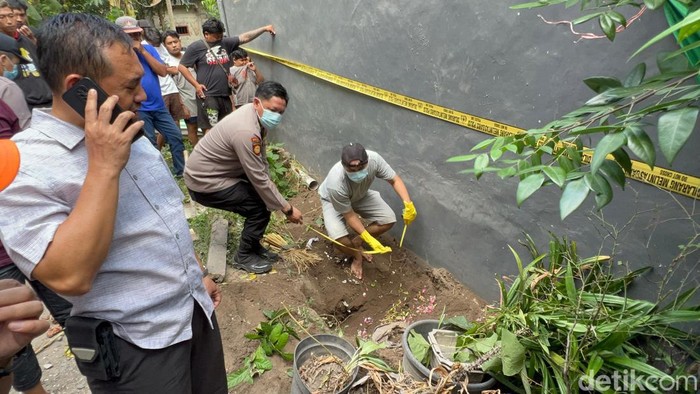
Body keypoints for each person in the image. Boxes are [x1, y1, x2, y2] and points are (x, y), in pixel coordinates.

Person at [0, 13, 226, 393]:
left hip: (193, 314)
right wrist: (103, 166)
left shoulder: (127, 126)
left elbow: (162, 216)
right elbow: (68, 276)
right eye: (131, 85)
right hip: (135, 347)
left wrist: (195, 274)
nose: (142, 96)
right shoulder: (24, 166)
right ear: (79, 88)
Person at [184, 81, 303, 274]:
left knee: (264, 199)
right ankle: (244, 255)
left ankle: (254, 247)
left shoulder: (253, 114)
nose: (277, 116)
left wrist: (272, 191)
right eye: (273, 110)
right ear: (257, 102)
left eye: (281, 113)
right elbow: (258, 178)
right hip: (204, 183)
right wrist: (287, 209)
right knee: (259, 207)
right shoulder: (246, 131)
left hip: (217, 173)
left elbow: (261, 161)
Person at [318, 143, 417, 279]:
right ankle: (357, 256)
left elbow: (394, 180)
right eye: (352, 170)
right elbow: (350, 216)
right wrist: (368, 237)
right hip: (333, 201)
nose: (357, 172)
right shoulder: (336, 183)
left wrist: (408, 204)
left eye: (361, 167)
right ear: (344, 166)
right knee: (339, 239)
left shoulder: (374, 159)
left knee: (388, 219)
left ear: (367, 162)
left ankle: (357, 241)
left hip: (360, 195)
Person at [115, 16, 186, 177]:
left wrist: (142, 51)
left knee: (175, 136)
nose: (134, 38)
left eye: (136, 34)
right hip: (139, 108)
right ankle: (158, 175)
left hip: (158, 105)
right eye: (130, 35)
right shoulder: (117, 53)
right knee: (149, 144)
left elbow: (162, 71)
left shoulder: (149, 49)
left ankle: (181, 172)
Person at [178, 18, 275, 133]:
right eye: (217, 36)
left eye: (221, 35)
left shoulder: (225, 43)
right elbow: (182, 67)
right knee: (210, 127)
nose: (220, 38)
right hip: (208, 95)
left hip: (225, 94)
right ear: (206, 34)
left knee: (226, 126)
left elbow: (245, 37)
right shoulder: (196, 47)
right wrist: (196, 85)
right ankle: (210, 150)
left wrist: (264, 29)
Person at [0, 1, 50, 110]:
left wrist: (35, 42)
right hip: (21, 106)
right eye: (2, 17)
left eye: (11, 16)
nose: (9, 21)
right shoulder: (3, 45)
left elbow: (47, 64)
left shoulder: (28, 37)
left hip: (47, 101)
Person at [163, 30, 200, 145]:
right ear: (164, 46)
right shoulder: (166, 62)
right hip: (186, 100)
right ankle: (196, 155)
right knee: (192, 128)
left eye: (175, 41)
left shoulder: (188, 56)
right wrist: (182, 105)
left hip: (200, 95)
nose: (174, 45)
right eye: (170, 43)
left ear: (180, 41)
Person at [0, 33, 29, 128]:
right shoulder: (7, 87)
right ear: (3, 60)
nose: (14, 68)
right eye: (14, 63)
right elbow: (23, 128)